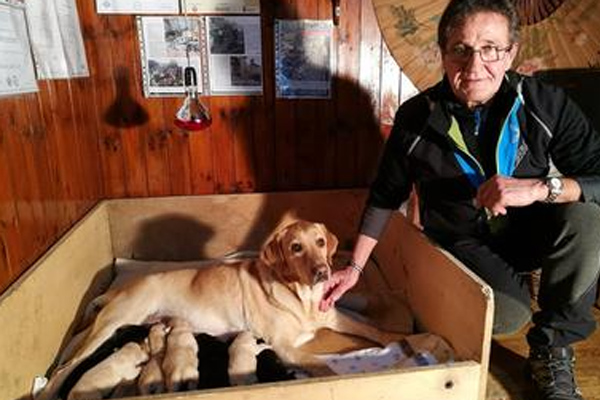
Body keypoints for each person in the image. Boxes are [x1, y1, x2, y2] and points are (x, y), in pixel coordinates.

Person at [319, 0, 600, 399]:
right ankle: (515, 291)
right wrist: (357, 268)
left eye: (490, 48)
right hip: (463, 240)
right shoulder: (416, 116)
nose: (473, 66)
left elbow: (597, 176)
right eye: (461, 49)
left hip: (530, 228)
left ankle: (553, 349)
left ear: (511, 54)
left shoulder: (544, 103)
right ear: (443, 51)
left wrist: (542, 189)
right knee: (502, 316)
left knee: (588, 214)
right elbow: (386, 196)